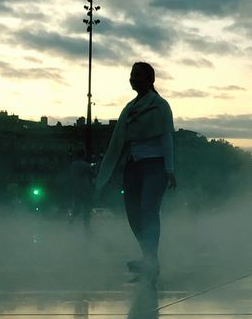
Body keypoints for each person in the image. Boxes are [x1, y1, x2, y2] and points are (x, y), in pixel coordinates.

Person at [95, 62, 177, 280]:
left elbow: (166, 137)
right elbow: (120, 143)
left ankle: (151, 262)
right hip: (133, 166)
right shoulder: (130, 109)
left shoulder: (160, 106)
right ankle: (147, 257)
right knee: (133, 214)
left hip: (155, 166)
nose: (133, 79)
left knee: (148, 211)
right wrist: (111, 170)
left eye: (138, 75)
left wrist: (170, 169)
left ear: (150, 80)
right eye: (132, 75)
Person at [67, 150, 93, 230]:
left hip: (76, 189)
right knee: (87, 209)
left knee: (77, 209)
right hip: (85, 188)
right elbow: (93, 175)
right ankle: (87, 227)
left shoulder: (72, 165)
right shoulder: (86, 165)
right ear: (83, 155)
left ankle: (70, 222)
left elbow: (69, 176)